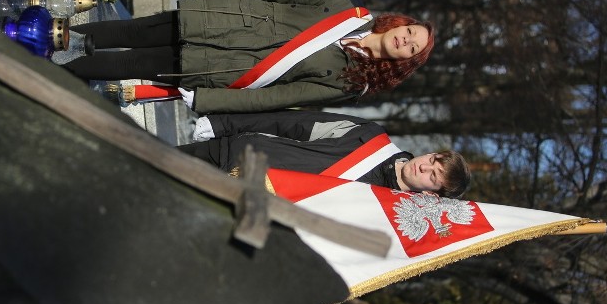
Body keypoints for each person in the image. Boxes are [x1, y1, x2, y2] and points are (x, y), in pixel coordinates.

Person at [63, 0, 434, 113]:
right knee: (133, 33)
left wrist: (210, 100)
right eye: (411, 32)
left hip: (220, 69)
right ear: (402, 23)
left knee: (133, 67)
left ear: (405, 61)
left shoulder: (351, 84)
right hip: (221, 19)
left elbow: (276, 98)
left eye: (412, 48)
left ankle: (59, 71)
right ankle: (55, 34)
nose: (406, 40)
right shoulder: (346, 6)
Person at [178, 110, 471, 198]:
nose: (425, 167)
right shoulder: (371, 136)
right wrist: (225, 122)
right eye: (433, 161)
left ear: (432, 194)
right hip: (234, 155)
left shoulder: (377, 208)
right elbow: (297, 123)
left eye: (434, 177)